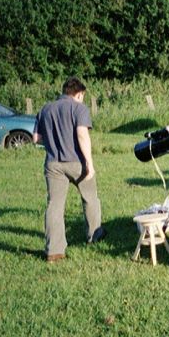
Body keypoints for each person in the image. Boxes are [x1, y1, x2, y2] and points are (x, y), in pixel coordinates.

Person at [34, 77, 104, 262]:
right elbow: (82, 135)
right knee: (90, 198)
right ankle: (94, 235)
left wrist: (54, 141)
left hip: (53, 164)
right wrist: (89, 163)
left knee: (55, 206)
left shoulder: (45, 109)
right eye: (83, 96)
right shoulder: (79, 108)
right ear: (79, 94)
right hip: (77, 162)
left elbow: (36, 139)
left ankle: (54, 251)